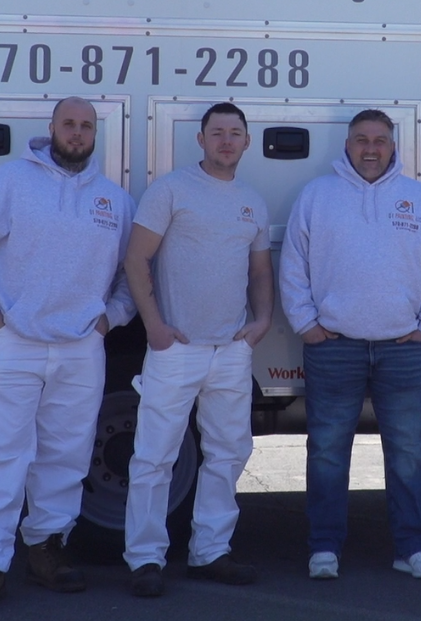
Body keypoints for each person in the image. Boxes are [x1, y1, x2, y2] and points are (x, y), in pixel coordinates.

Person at [0, 97, 135, 612]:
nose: (77, 133)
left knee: (67, 456)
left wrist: (109, 319)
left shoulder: (113, 200)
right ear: (51, 128)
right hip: (12, 344)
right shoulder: (11, 183)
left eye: (86, 127)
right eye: (69, 124)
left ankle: (47, 550)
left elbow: (131, 274)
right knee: (2, 456)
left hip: (80, 349)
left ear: (96, 135)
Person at [280, 109, 421, 581]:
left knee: (407, 453)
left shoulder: (417, 199)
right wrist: (306, 324)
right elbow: (293, 262)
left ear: (394, 146)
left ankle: (412, 547)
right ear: (347, 144)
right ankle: (324, 548)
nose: (371, 148)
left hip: (403, 347)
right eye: (361, 139)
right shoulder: (318, 196)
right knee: (328, 451)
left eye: (380, 139)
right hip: (333, 346)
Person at [121, 103, 274, 597]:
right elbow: (136, 259)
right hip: (176, 348)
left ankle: (211, 551)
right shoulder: (171, 190)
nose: (226, 141)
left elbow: (259, 272)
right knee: (154, 456)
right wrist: (156, 328)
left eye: (235, 133)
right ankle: (145, 558)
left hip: (230, 349)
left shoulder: (252, 201)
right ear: (201, 140)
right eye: (217, 133)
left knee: (228, 452)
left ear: (247, 142)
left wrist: (262, 321)